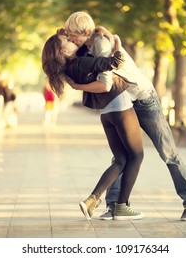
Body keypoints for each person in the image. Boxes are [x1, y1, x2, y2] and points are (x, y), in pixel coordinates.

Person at [64, 11, 186, 221]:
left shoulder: (101, 45)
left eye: (72, 34)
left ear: (84, 32)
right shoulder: (87, 46)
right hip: (124, 102)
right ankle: (115, 205)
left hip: (144, 99)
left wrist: (77, 85)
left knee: (168, 152)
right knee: (120, 155)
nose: (70, 38)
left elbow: (105, 82)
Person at [42, 31, 145, 220]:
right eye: (67, 40)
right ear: (63, 50)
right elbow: (115, 62)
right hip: (120, 108)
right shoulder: (82, 63)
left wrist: (66, 33)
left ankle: (92, 200)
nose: (72, 39)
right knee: (137, 155)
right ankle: (122, 205)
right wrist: (117, 44)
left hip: (106, 113)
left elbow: (81, 47)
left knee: (121, 159)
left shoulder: (69, 68)